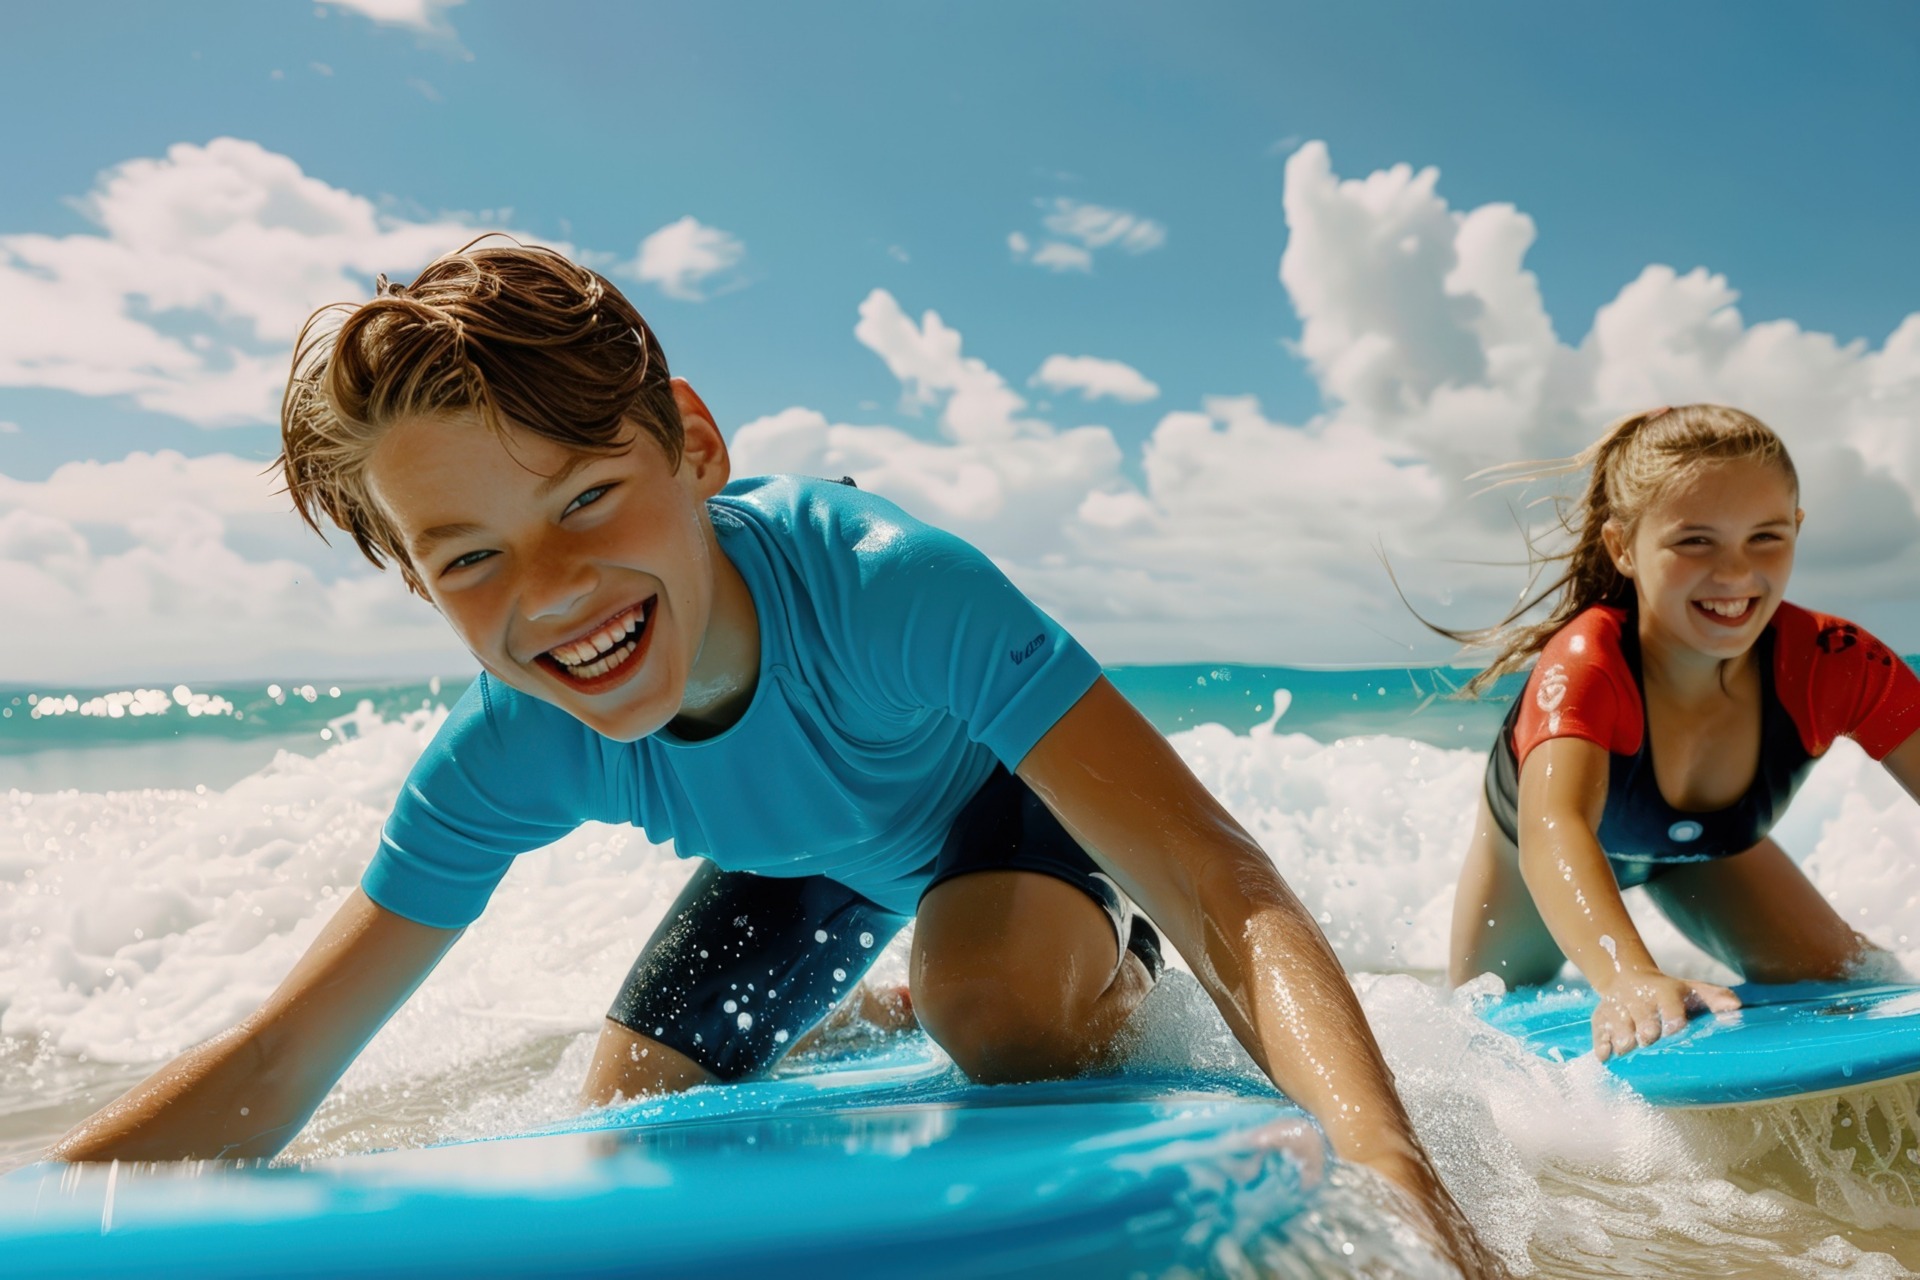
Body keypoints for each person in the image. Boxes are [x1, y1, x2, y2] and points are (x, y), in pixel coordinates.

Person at [51, 241, 1502, 1274]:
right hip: (811, 854)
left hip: (994, 804)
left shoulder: (887, 588)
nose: (553, 593)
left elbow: (1216, 878)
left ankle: (1091, 972)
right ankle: (871, 1003)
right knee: (636, 1118)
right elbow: (287, 1051)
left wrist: (1393, 1181)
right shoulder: (507, 750)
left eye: (587, 497)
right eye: (471, 557)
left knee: (992, 1008)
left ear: (692, 444)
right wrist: (48, 1215)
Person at [1445, 404, 1920, 1061]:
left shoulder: (1836, 662)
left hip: (1711, 856)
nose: (1736, 573)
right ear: (1623, 548)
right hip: (1538, 867)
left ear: (1797, 527)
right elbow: (1555, 830)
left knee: (1859, 984)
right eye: (1696, 541)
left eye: (1766, 536)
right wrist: (1627, 976)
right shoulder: (1588, 663)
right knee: (1483, 1026)